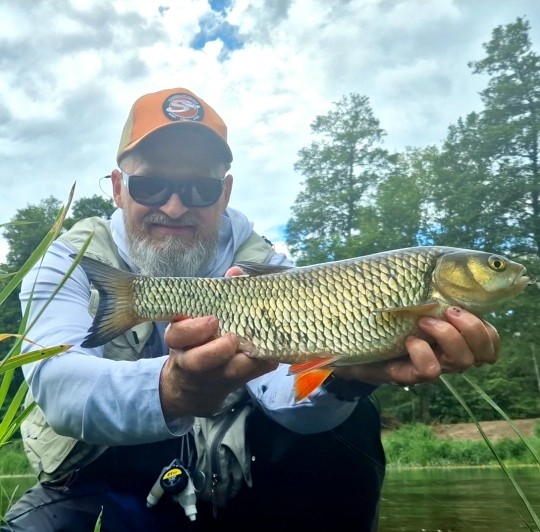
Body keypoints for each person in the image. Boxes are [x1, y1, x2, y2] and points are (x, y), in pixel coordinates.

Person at [2, 87, 500, 532]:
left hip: (227, 467)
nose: (174, 207)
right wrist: (173, 388)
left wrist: (346, 376)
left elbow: (283, 390)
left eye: (200, 189)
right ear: (117, 187)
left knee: (350, 418)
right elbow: (59, 387)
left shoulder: (264, 263)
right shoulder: (66, 260)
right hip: (98, 473)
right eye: (150, 186)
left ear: (225, 193)